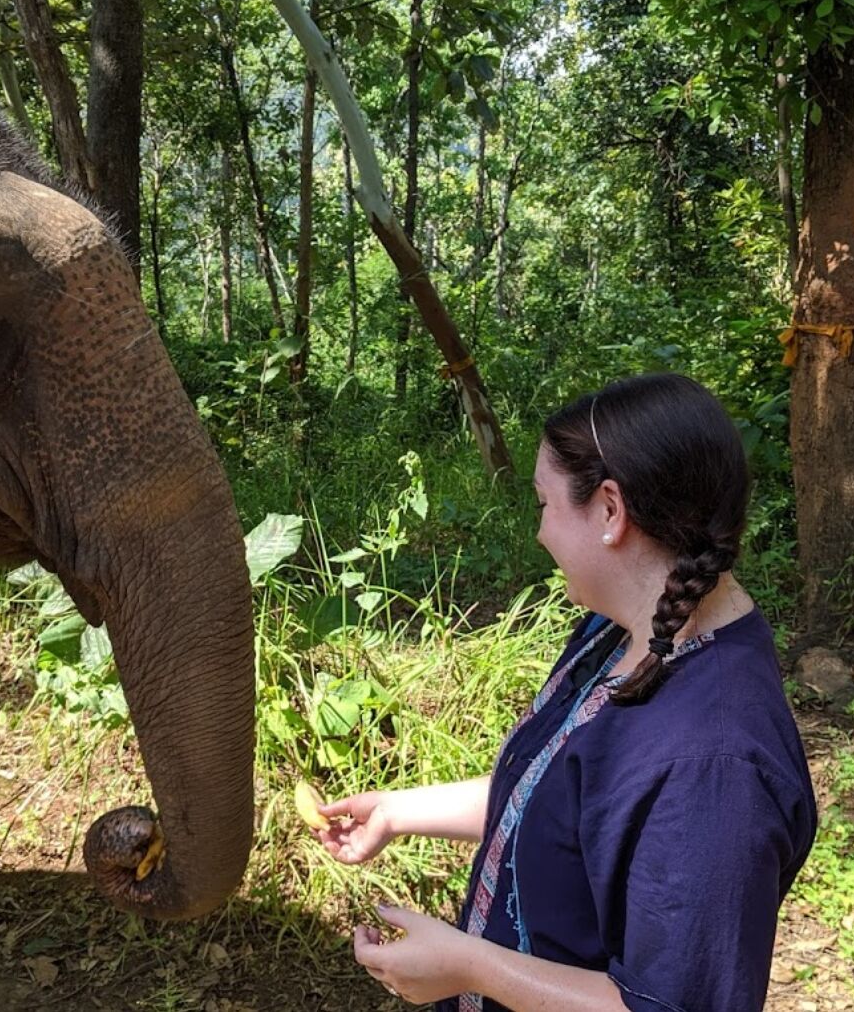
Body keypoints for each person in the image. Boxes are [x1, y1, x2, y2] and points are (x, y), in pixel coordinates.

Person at [313, 372, 818, 1012]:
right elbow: (560, 803)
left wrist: (471, 967)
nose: (540, 532)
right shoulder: (620, 632)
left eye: (544, 505)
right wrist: (397, 811)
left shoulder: (716, 768)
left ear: (611, 511)